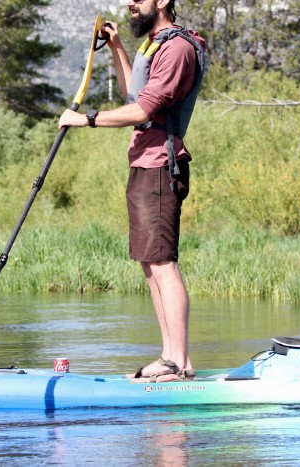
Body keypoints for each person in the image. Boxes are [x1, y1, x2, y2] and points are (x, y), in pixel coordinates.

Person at [58, 0, 206, 383]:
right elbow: (134, 94)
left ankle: (180, 363)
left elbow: (142, 112)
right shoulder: (153, 44)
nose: (130, 2)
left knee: (163, 263)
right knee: (149, 263)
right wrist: (117, 47)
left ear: (164, 1)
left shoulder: (177, 48)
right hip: (143, 164)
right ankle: (169, 356)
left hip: (161, 165)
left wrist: (85, 119)